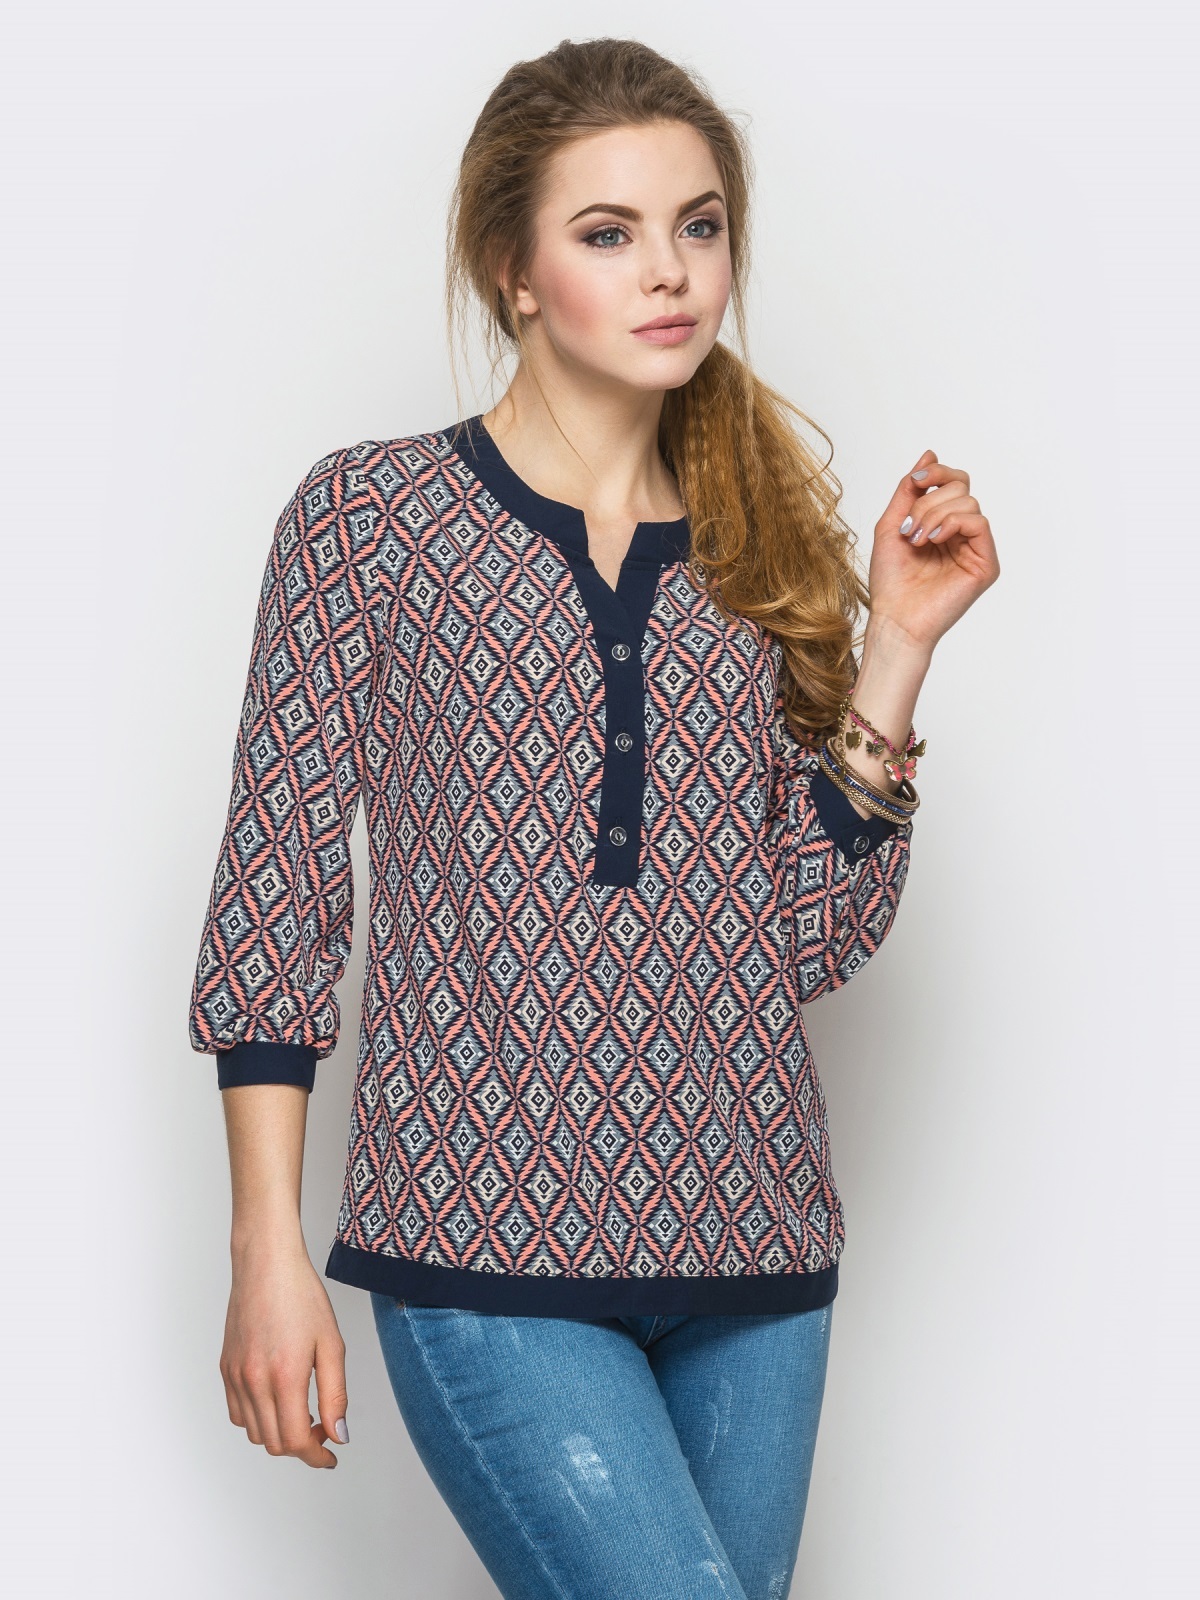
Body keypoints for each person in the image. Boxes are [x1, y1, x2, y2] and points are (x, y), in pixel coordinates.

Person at [187, 35, 1000, 1600]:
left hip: (758, 1259)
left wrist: (895, 647)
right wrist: (262, 1245)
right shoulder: (369, 521)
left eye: (699, 225)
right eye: (609, 232)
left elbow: (805, 939)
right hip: (483, 1253)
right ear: (513, 269)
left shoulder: (763, 550)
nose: (670, 271)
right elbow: (274, 892)